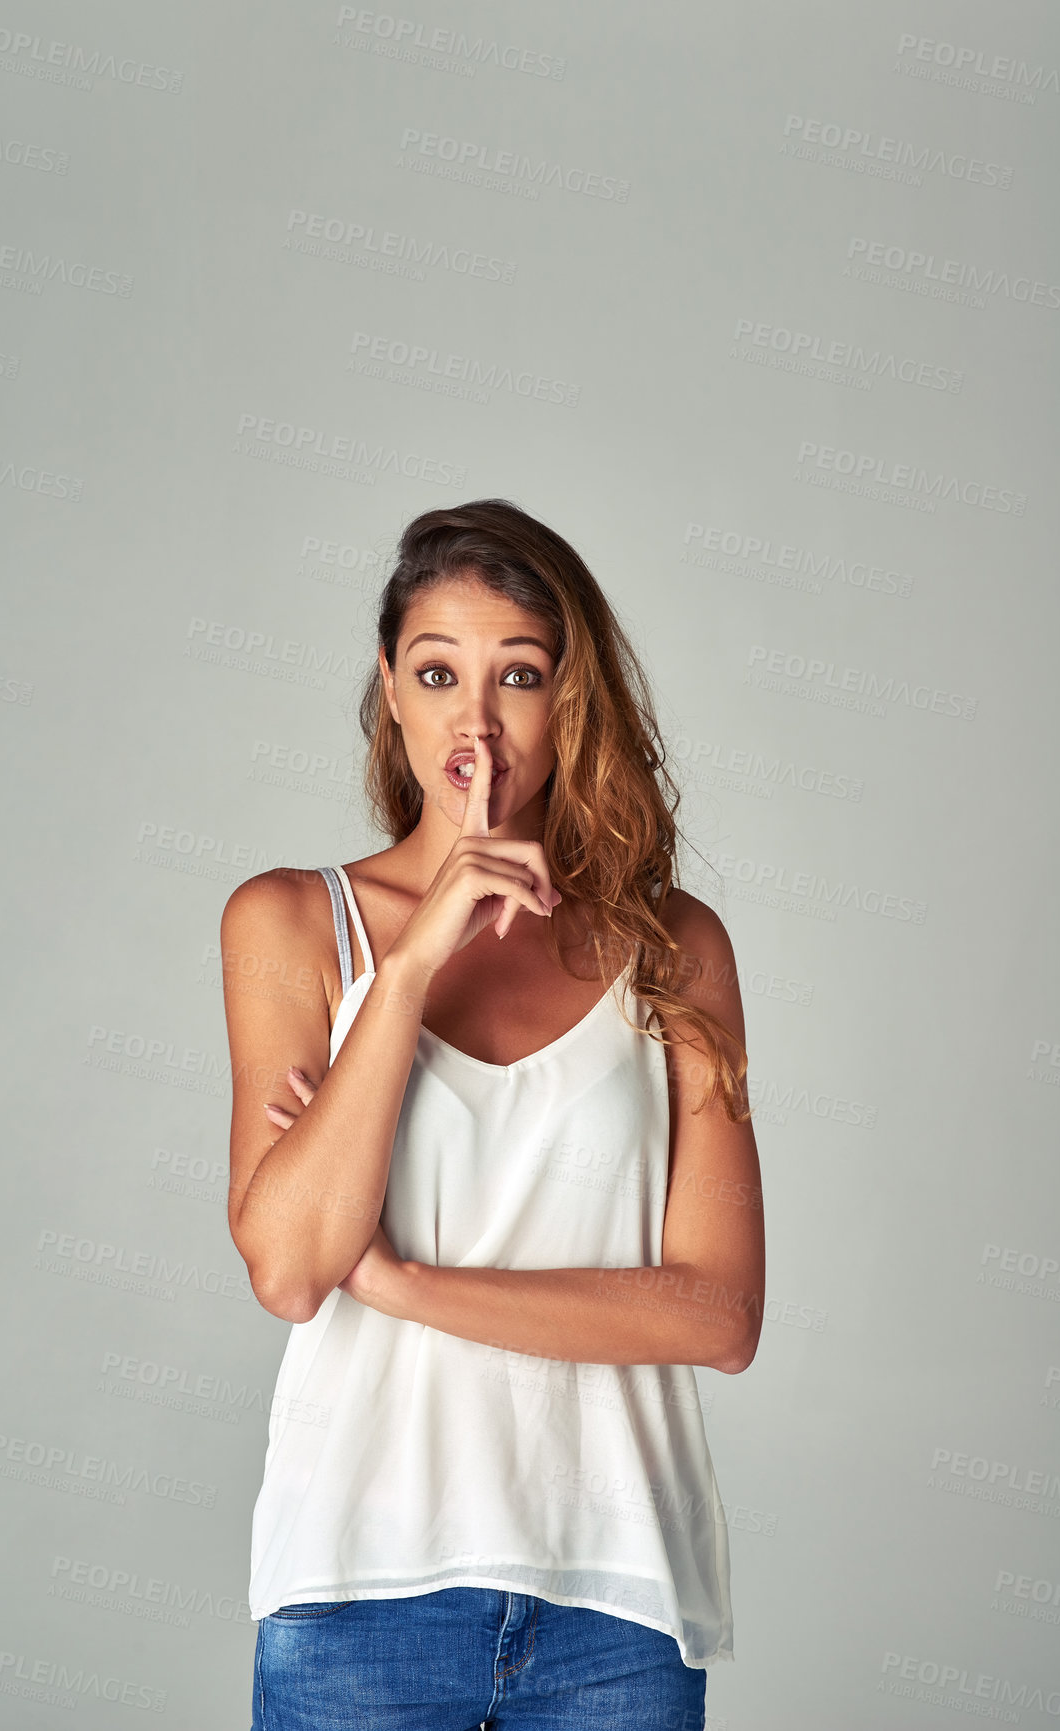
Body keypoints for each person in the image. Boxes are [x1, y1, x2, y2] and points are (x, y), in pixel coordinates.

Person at [220, 498, 765, 1730]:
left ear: (571, 699)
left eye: (518, 674)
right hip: (358, 1585)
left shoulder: (671, 946)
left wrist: (404, 1284)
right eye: (437, 672)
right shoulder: (295, 927)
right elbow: (295, 1272)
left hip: (616, 1599)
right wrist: (403, 977)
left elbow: (719, 1313)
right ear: (390, 689)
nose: (475, 722)